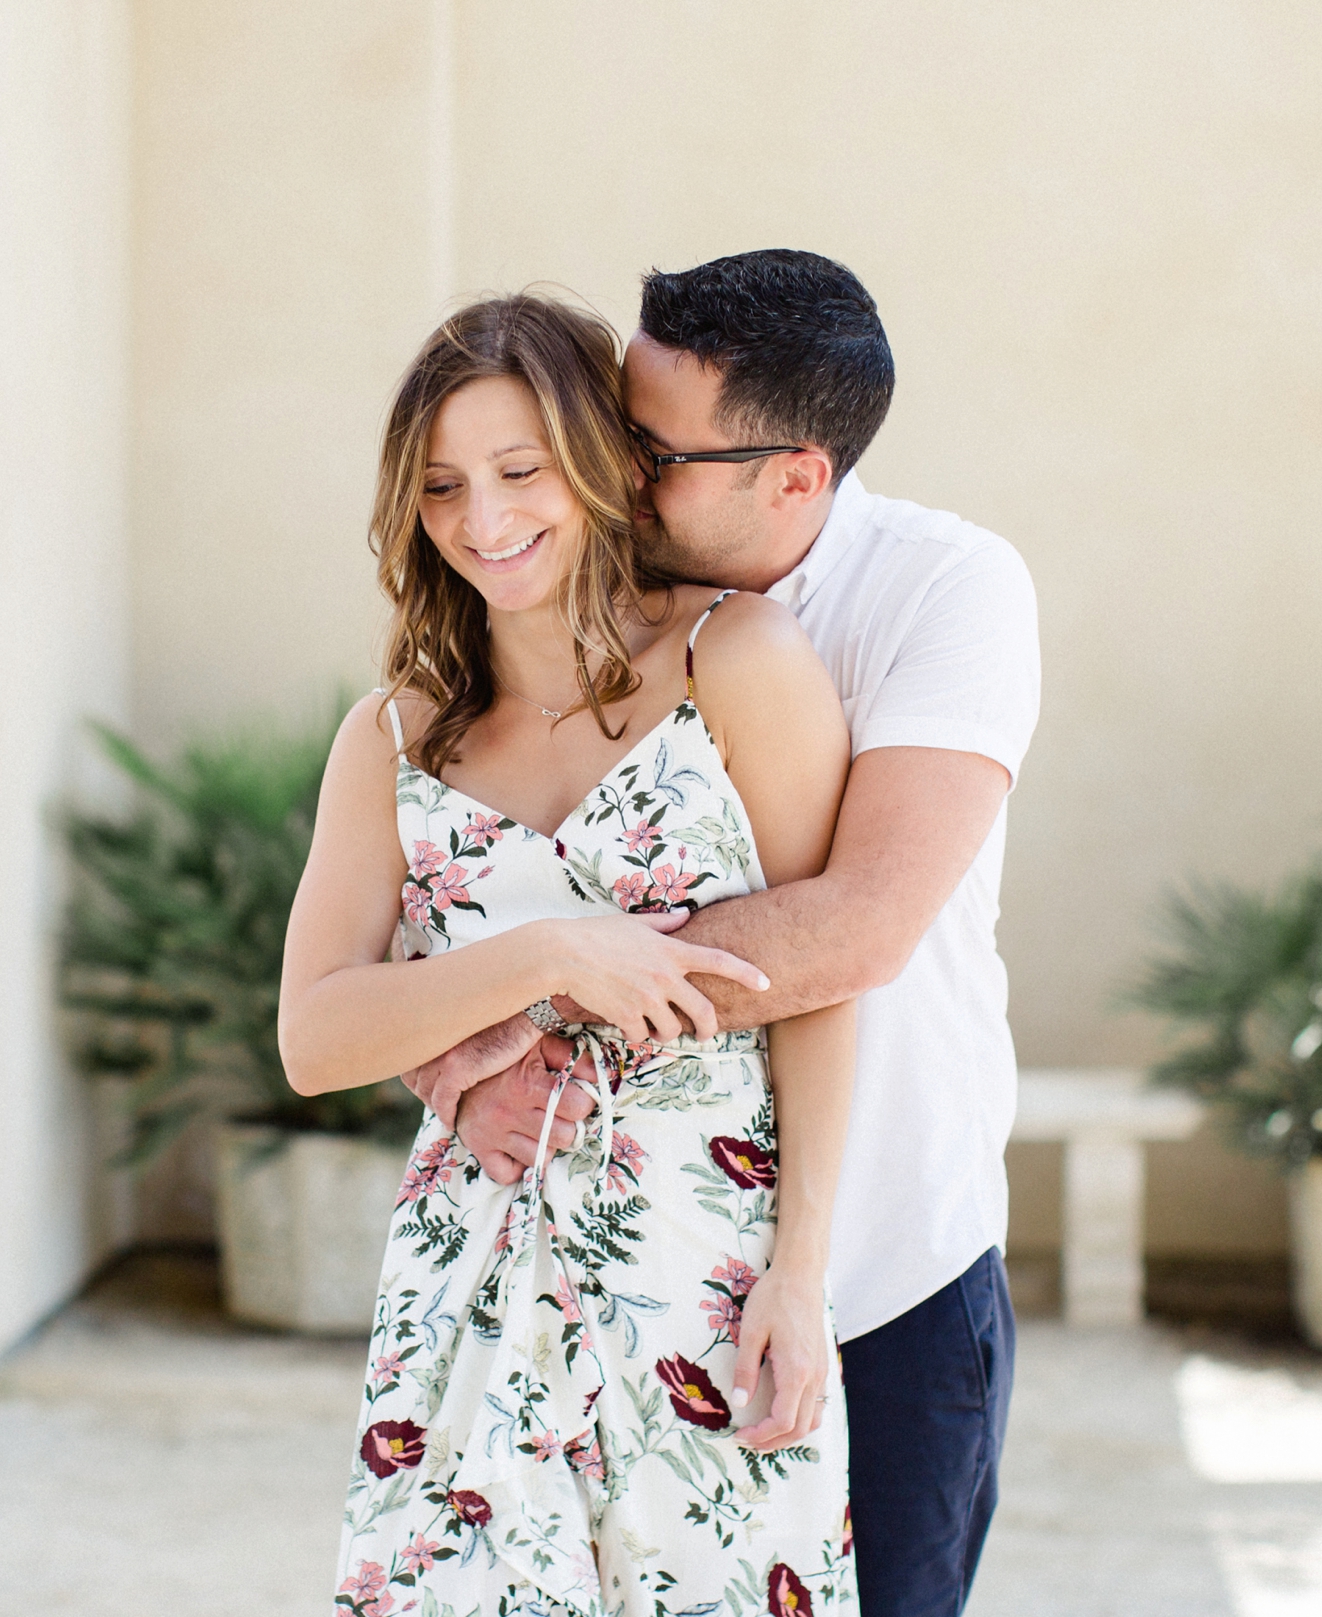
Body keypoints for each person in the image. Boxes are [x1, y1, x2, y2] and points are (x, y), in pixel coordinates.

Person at [411, 250, 1042, 1617]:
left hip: (879, 1276)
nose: (612, 472)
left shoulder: (949, 592)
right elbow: (455, 862)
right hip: (610, 1269)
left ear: (795, 478)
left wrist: (526, 1010)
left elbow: (857, 927)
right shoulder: (578, 582)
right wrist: (438, 1025)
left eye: (653, 450)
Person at [279, 291, 863, 1616]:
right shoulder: (396, 736)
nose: (482, 521)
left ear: (596, 462)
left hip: (704, 1267)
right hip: (477, 1263)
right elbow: (314, 1036)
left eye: (518, 470)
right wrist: (546, 955)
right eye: (439, 487)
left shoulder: (740, 660)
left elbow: (823, 984)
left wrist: (803, 1275)